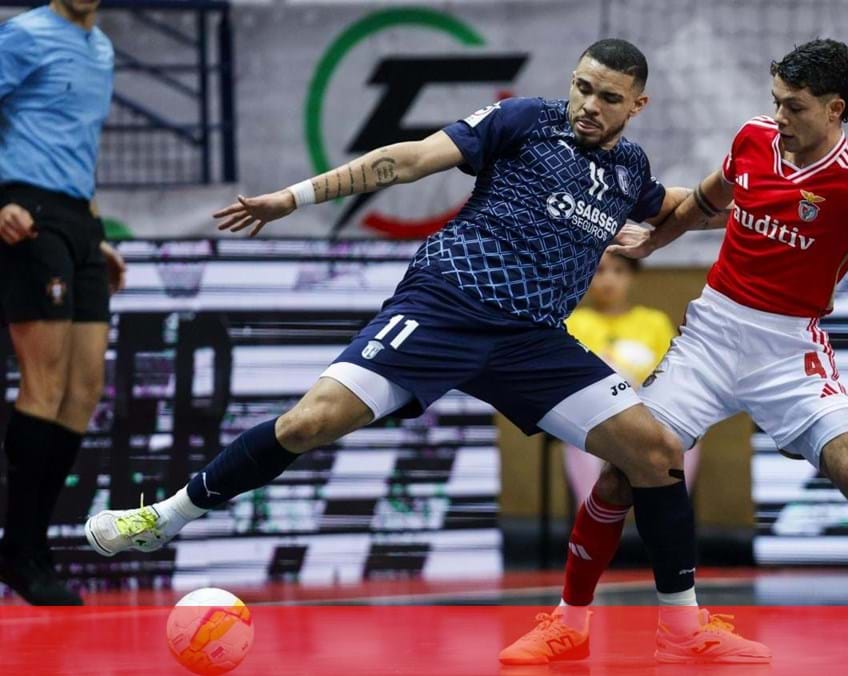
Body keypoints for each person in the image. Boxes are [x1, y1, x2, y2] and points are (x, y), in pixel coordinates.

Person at [82, 39, 769, 663]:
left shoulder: (628, 169)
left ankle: (677, 628)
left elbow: (682, 205)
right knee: (307, 423)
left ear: (637, 105)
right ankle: (164, 517)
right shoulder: (525, 120)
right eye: (583, 87)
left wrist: (759, 181)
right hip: (445, 307)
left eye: (608, 97)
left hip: (532, 341)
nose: (590, 105)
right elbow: (410, 159)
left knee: (654, 453)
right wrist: (294, 197)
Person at [503, 39, 848, 664]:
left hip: (789, 351)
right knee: (625, 472)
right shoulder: (754, 138)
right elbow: (705, 200)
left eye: (795, 107)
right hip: (712, 336)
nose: (779, 117)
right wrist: (649, 243)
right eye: (775, 101)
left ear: (835, 109)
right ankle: (570, 623)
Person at [0, 0, 124, 606]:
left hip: (78, 219)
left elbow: (80, 147)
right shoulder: (22, 35)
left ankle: (30, 544)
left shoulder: (102, 50)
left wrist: (97, 234)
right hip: (26, 214)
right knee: (44, 385)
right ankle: (19, 549)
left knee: (84, 388)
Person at [563, 251, 698, 507]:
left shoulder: (653, 322)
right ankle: (592, 518)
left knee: (686, 435)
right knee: (577, 441)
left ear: (632, 276)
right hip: (596, 421)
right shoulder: (574, 323)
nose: (608, 280)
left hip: (650, 417)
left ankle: (671, 511)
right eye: (599, 271)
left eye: (618, 270)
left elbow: (672, 375)